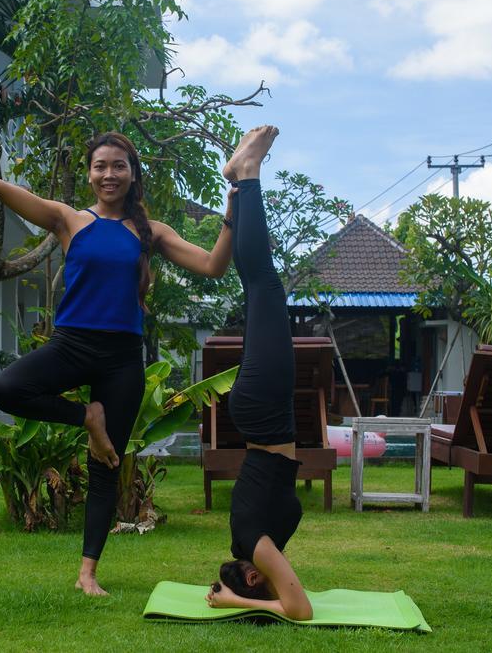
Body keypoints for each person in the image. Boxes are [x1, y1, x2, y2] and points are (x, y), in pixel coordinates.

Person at [0, 123, 235, 596]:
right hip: (72, 344)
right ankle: (86, 418)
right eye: (100, 166)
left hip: (121, 358)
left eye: (118, 166)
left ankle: (87, 573)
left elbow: (214, 265)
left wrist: (234, 207)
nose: (108, 174)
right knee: (8, 389)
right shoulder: (68, 220)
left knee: (106, 466)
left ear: (133, 174)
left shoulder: (149, 232)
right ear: (89, 174)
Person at [203, 125, 314, 621]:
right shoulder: (250, 543)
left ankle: (247, 175)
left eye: (262, 585)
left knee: (265, 285)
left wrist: (233, 601)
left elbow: (300, 610)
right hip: (265, 416)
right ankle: (242, 179)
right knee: (258, 286)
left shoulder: (255, 545)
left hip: (264, 414)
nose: (276, 578)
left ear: (253, 576)